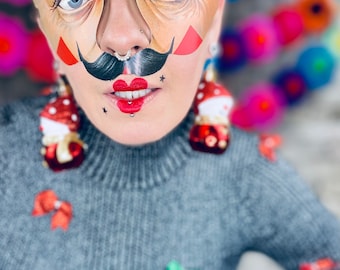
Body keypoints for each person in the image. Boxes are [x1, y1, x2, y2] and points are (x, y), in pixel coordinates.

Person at [0, 0, 340, 269]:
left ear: (215, 18)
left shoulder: (242, 174)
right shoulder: (6, 155)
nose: (121, 38)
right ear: (45, 24)